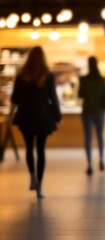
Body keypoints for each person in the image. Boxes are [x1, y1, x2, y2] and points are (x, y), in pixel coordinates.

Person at [8, 46, 62, 198]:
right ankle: (40, 185)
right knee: (41, 150)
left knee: (29, 148)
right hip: (43, 116)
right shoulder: (48, 76)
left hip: (25, 115)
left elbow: (14, 99)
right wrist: (58, 116)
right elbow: (53, 98)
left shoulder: (21, 76)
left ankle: (32, 177)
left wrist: (10, 115)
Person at [78, 56, 105, 176]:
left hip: (87, 111)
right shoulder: (102, 80)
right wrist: (103, 108)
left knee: (88, 138)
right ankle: (101, 160)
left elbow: (80, 95)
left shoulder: (84, 80)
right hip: (99, 112)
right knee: (100, 136)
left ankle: (89, 164)